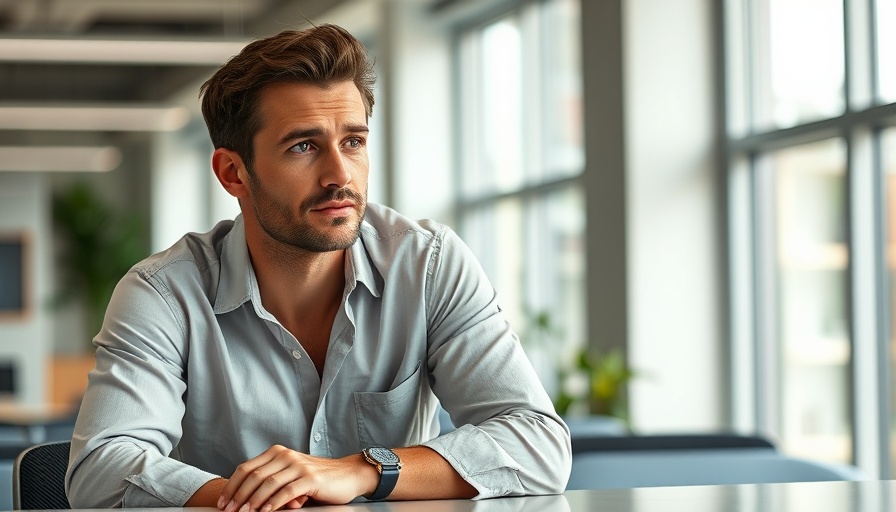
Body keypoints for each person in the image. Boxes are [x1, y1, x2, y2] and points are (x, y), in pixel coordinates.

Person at [65, 23, 571, 510]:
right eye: (303, 146)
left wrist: (361, 471)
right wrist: (269, 498)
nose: (339, 175)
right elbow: (101, 466)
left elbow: (538, 441)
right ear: (233, 172)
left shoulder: (428, 264)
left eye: (353, 141)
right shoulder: (163, 293)